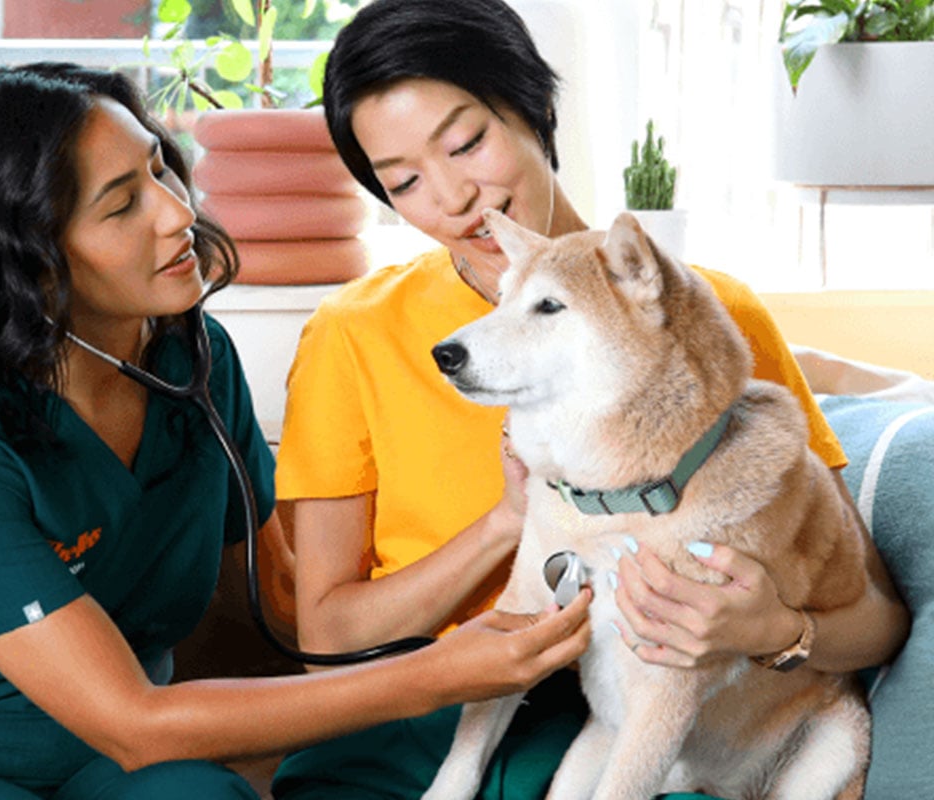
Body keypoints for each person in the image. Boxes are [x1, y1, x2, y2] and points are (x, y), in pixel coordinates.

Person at [0, 63, 594, 800]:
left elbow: (291, 612)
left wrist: (505, 538)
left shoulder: (195, 357)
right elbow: (135, 721)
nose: (174, 211)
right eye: (121, 206)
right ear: (33, 259)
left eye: (160, 168)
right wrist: (437, 675)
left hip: (103, 770)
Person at [270, 1, 911, 798]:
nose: (453, 197)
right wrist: (508, 522)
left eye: (467, 141)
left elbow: (878, 618)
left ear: (536, 107)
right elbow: (325, 635)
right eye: (402, 182)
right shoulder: (353, 334)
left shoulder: (708, 319)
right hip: (417, 718)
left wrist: (777, 631)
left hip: (652, 726)